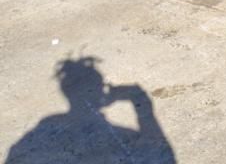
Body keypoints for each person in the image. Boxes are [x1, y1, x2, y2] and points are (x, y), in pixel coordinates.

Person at [5, 57, 175, 164]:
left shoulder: (38, 132)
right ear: (102, 90)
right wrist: (141, 100)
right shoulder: (126, 135)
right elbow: (165, 154)